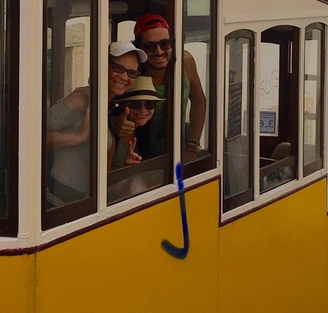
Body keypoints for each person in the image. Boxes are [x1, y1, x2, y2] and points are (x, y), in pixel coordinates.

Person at [46, 41, 146, 207]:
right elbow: (32, 137)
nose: (124, 77)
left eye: (131, 72)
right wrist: (80, 136)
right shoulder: (80, 99)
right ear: (102, 65)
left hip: (85, 205)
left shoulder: (107, 105)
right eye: (118, 68)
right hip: (57, 206)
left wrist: (125, 165)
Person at [133, 13, 207, 164]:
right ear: (140, 48)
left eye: (165, 43)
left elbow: (199, 101)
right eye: (150, 46)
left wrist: (192, 146)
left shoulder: (186, 63)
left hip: (177, 154)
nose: (159, 51)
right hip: (137, 157)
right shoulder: (132, 71)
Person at [111, 76, 165, 168]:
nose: (143, 109)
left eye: (149, 104)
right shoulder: (110, 129)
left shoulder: (146, 132)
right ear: (123, 105)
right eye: (135, 104)